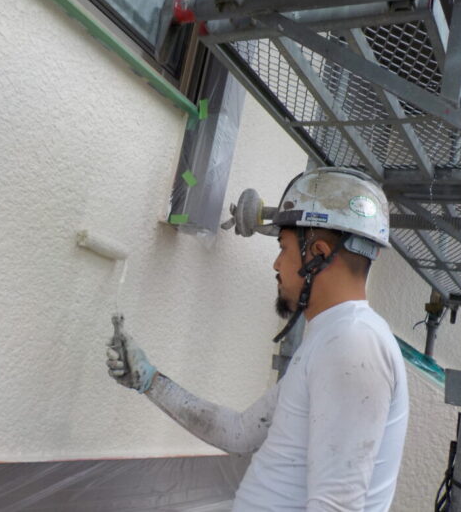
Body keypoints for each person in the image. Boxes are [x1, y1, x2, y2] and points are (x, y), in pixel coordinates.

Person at [106, 167, 409, 511]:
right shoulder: (334, 338)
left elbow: (337, 506)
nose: (277, 265)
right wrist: (150, 381)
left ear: (319, 254)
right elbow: (240, 433)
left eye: (283, 248)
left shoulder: (353, 345)